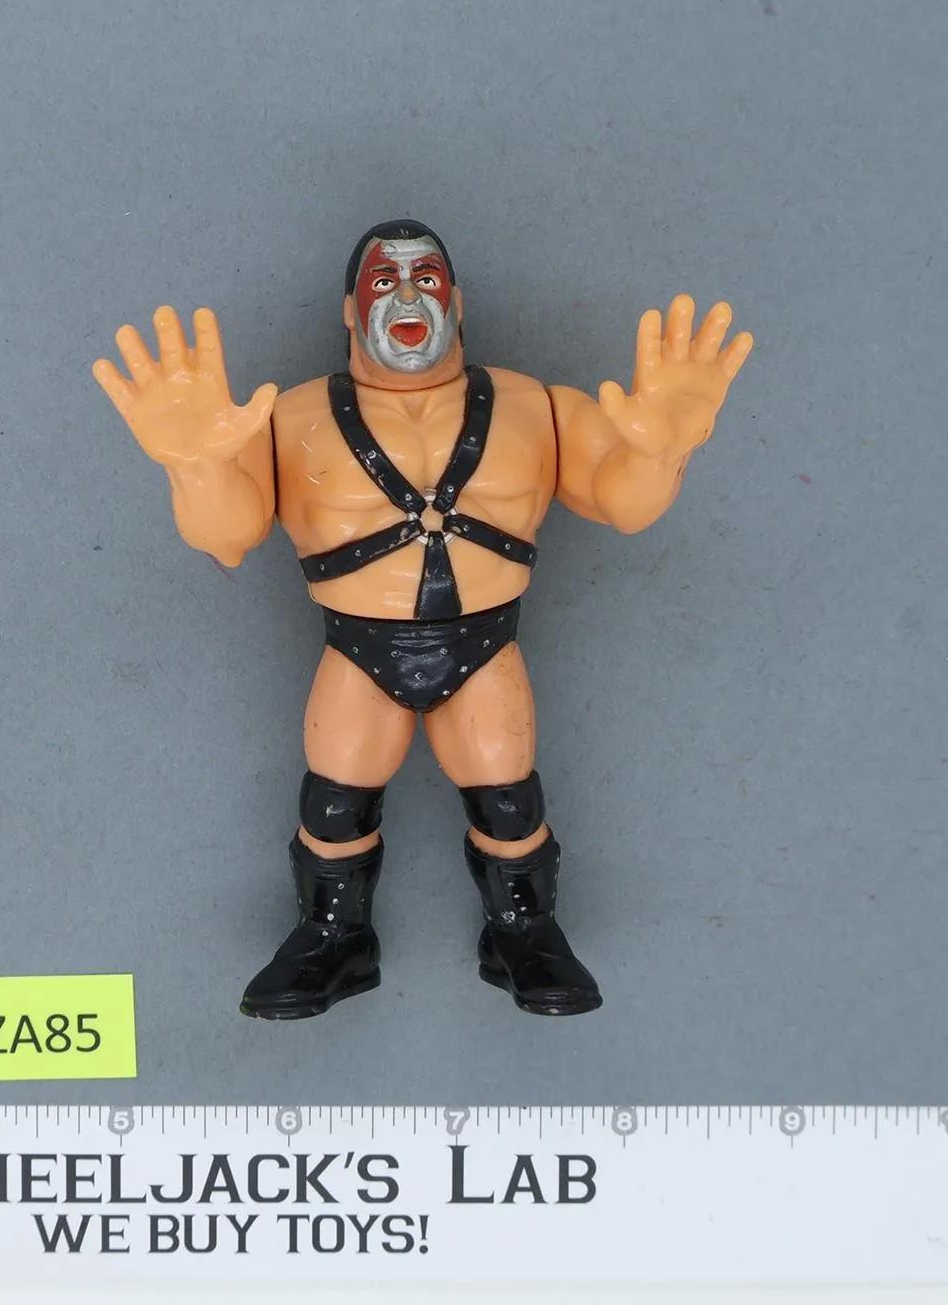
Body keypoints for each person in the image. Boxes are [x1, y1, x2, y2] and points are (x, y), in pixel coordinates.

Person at [93, 220, 753, 1020]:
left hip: (484, 643)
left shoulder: (535, 406)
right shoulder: (290, 418)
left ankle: (524, 931)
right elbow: (227, 536)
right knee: (334, 802)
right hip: (358, 649)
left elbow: (622, 502)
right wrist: (195, 467)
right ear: (350, 310)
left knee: (508, 797)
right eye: (384, 280)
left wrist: (662, 452)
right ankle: (333, 936)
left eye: (426, 278)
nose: (407, 294)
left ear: (457, 302)